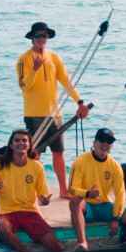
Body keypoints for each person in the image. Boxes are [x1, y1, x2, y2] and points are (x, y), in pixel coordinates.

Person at [15, 21, 89, 197]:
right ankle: (34, 193)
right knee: (34, 155)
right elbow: (25, 87)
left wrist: (79, 102)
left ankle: (63, 191)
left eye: (44, 36)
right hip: (34, 115)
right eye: (38, 36)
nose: (42, 39)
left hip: (55, 114)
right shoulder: (23, 59)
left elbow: (66, 81)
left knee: (59, 153)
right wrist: (34, 70)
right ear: (32, 38)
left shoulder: (54, 57)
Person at [0, 127, 66, 252]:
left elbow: (42, 196)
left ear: (29, 145)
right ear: (11, 145)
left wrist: (44, 200)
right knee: (1, 228)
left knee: (55, 246)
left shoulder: (36, 166)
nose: (21, 143)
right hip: (7, 213)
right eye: (17, 140)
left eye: (24, 140)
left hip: (30, 212)